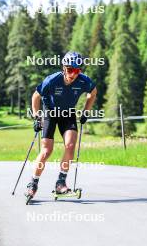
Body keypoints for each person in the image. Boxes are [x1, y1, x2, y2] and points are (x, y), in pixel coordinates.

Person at [26, 51, 97, 197]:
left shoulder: (84, 81)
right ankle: (33, 183)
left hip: (68, 113)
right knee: (47, 151)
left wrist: (85, 111)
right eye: (70, 70)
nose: (73, 74)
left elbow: (93, 92)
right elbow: (35, 96)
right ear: (64, 68)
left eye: (77, 70)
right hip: (50, 113)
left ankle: (61, 183)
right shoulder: (52, 80)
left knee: (70, 145)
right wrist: (37, 117)